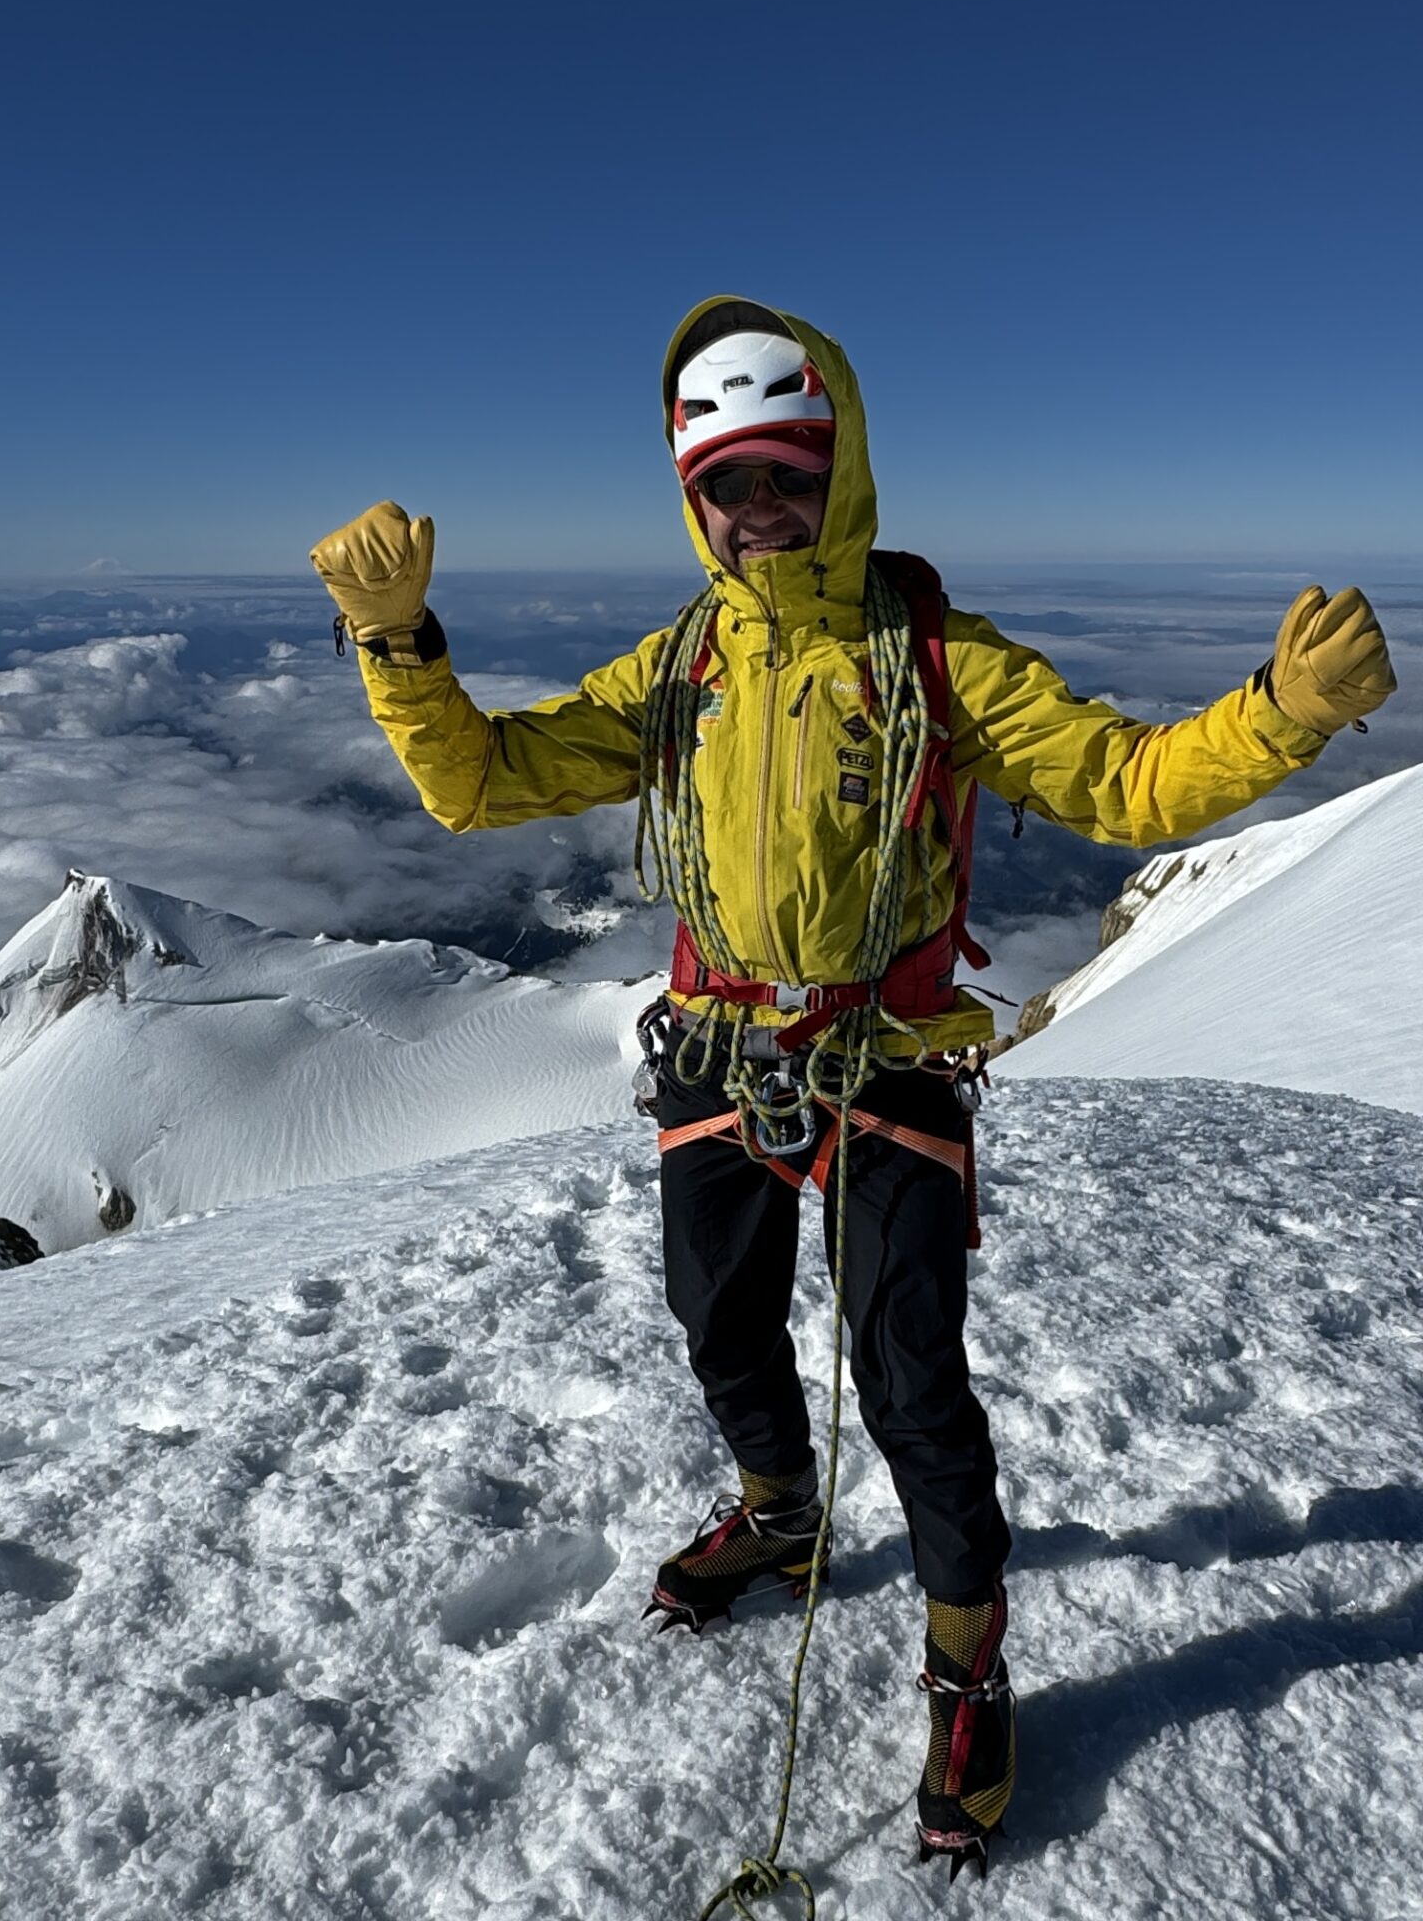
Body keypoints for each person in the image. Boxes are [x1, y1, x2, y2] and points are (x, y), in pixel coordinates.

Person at [310, 295, 1395, 1873]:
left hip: (885, 1059)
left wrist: (1280, 721)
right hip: (718, 1050)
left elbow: (1124, 778)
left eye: (788, 475)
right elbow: (478, 781)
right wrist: (399, 645)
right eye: (728, 485)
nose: (760, 511)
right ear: (695, 502)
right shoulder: (681, 667)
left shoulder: (939, 662)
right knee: (719, 1317)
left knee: (911, 1386)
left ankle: (967, 1669)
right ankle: (782, 1512)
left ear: (844, 470)